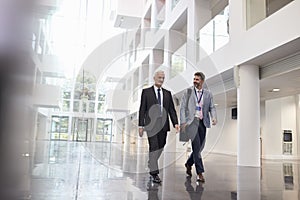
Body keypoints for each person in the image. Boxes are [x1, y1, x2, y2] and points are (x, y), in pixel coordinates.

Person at [138, 70, 180, 183]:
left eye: (163, 78)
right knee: (154, 146)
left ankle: (151, 162)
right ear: (154, 78)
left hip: (163, 124)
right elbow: (142, 109)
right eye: (159, 77)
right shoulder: (146, 92)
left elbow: (171, 109)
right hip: (151, 125)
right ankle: (154, 173)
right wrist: (140, 125)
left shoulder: (167, 93)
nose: (161, 80)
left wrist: (175, 123)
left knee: (161, 145)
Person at [180, 72, 217, 182]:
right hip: (191, 123)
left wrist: (214, 117)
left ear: (202, 81)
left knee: (200, 147)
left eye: (197, 79)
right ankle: (200, 173)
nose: (195, 81)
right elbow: (182, 108)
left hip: (202, 123)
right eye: (194, 79)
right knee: (196, 146)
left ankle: (188, 163)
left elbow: (212, 107)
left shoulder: (208, 94)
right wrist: (183, 122)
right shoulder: (188, 92)